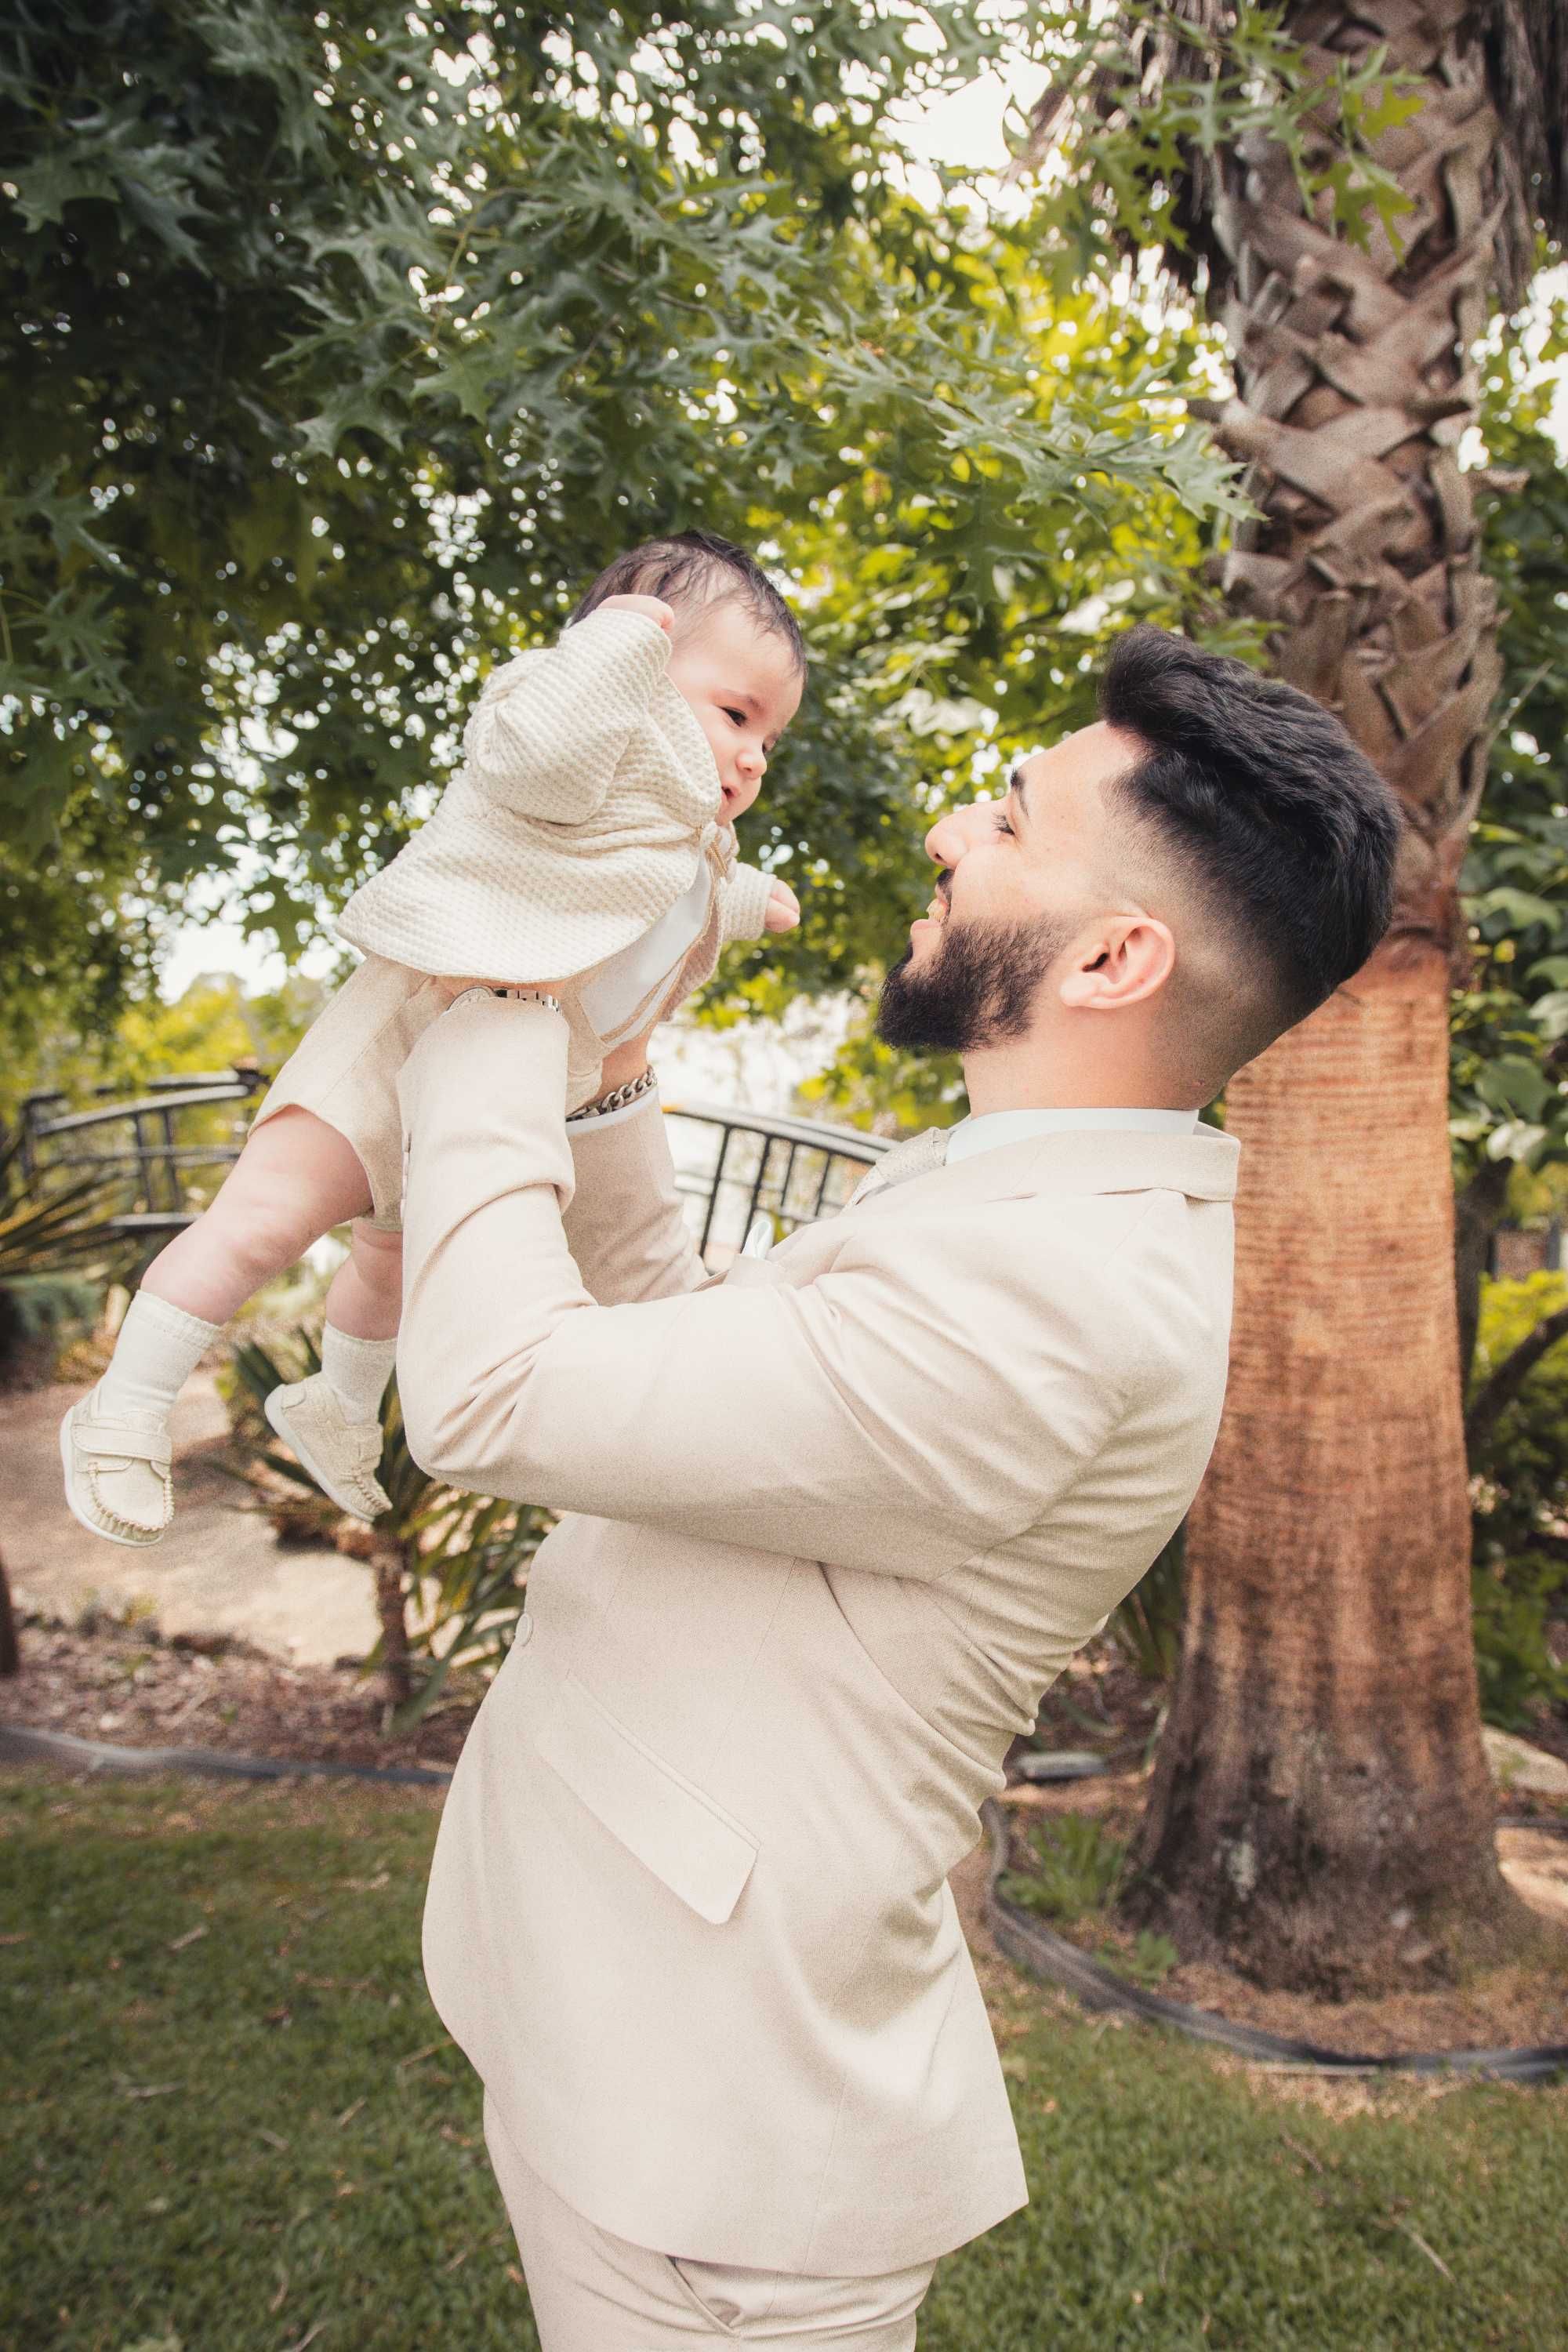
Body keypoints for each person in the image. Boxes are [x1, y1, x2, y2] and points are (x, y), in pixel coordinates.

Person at [404, 625, 1402, 2350]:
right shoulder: (1001, 1198)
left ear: (1112, 960)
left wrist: (498, 997)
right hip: (624, 2035)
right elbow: (655, 1345)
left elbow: (496, 1393)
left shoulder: (1058, 1302)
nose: (949, 829)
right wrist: (614, 1059)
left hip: (722, 2169)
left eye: (1009, 818)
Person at [59, 533, 804, 1547]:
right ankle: (125, 1405)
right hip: (402, 1034)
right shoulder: (566, 747)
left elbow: (670, 900)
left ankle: (336, 1403)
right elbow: (541, 758)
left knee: (393, 1261)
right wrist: (607, 649)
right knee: (263, 1226)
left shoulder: (678, 840)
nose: (755, 755)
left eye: (771, 739)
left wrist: (750, 898)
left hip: (483, 1085)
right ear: (629, 675)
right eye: (735, 715)